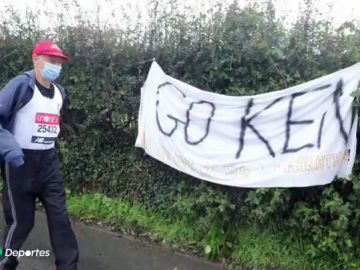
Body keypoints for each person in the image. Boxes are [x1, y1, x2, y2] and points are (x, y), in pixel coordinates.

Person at [0, 40, 79, 270]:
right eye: (51, 60)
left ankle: (68, 266)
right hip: (19, 163)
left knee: (60, 218)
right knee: (21, 222)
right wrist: (9, 149)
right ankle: (5, 262)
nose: (56, 65)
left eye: (59, 62)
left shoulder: (59, 93)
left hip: (48, 163)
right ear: (35, 59)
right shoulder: (22, 85)